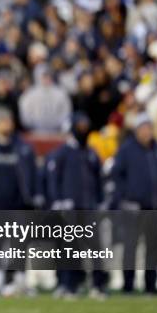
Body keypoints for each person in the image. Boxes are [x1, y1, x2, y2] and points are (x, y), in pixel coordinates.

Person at [0, 107, 37, 296]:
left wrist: (31, 195)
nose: (7, 125)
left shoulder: (22, 148)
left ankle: (18, 280)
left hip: (18, 202)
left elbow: (31, 174)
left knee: (19, 243)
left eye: (9, 121)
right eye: (3, 121)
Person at [45, 112, 107, 299]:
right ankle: (67, 284)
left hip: (88, 207)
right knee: (68, 247)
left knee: (95, 247)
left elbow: (99, 180)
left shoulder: (91, 153)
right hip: (69, 207)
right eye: (80, 127)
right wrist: (57, 201)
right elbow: (53, 180)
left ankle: (97, 284)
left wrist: (100, 201)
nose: (83, 130)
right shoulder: (62, 153)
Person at [110, 113, 157, 294]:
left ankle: (150, 285)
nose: (147, 132)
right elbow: (116, 175)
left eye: (149, 128)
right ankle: (128, 284)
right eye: (144, 128)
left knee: (152, 246)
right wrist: (126, 197)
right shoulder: (127, 150)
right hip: (134, 206)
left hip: (154, 206)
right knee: (131, 246)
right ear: (137, 130)